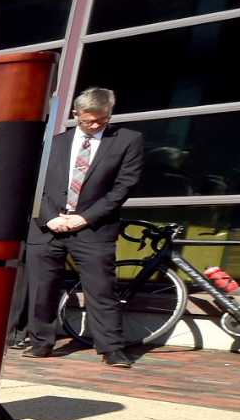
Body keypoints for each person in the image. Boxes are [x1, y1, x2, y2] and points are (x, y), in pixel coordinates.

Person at [21, 87, 146, 367]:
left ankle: (112, 349)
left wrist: (85, 217)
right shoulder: (54, 143)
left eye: (101, 120)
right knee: (42, 288)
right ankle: (40, 343)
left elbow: (123, 187)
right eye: (88, 120)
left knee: (101, 289)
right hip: (47, 227)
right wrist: (49, 216)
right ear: (75, 114)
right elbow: (33, 182)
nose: (94, 126)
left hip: (93, 228)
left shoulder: (127, 140)